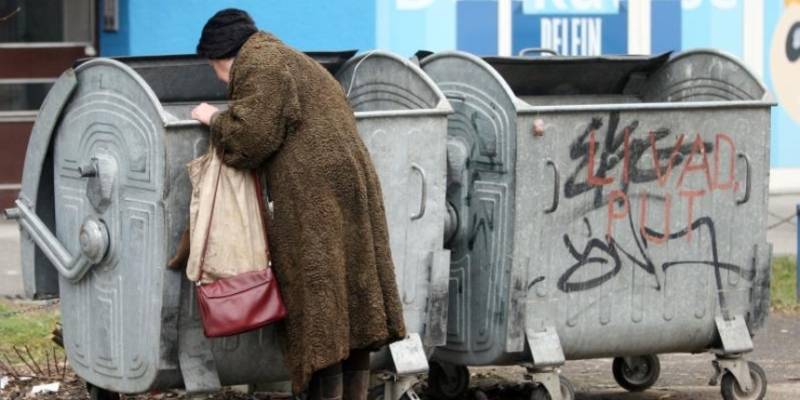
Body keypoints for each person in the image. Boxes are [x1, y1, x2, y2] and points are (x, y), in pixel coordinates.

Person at [189, 8, 407, 400]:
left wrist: (213, 119)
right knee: (351, 302)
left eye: (212, 67)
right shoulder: (287, 57)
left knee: (319, 303)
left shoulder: (259, 64)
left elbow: (252, 140)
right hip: (348, 186)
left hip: (314, 195)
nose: (218, 78)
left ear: (220, 54)